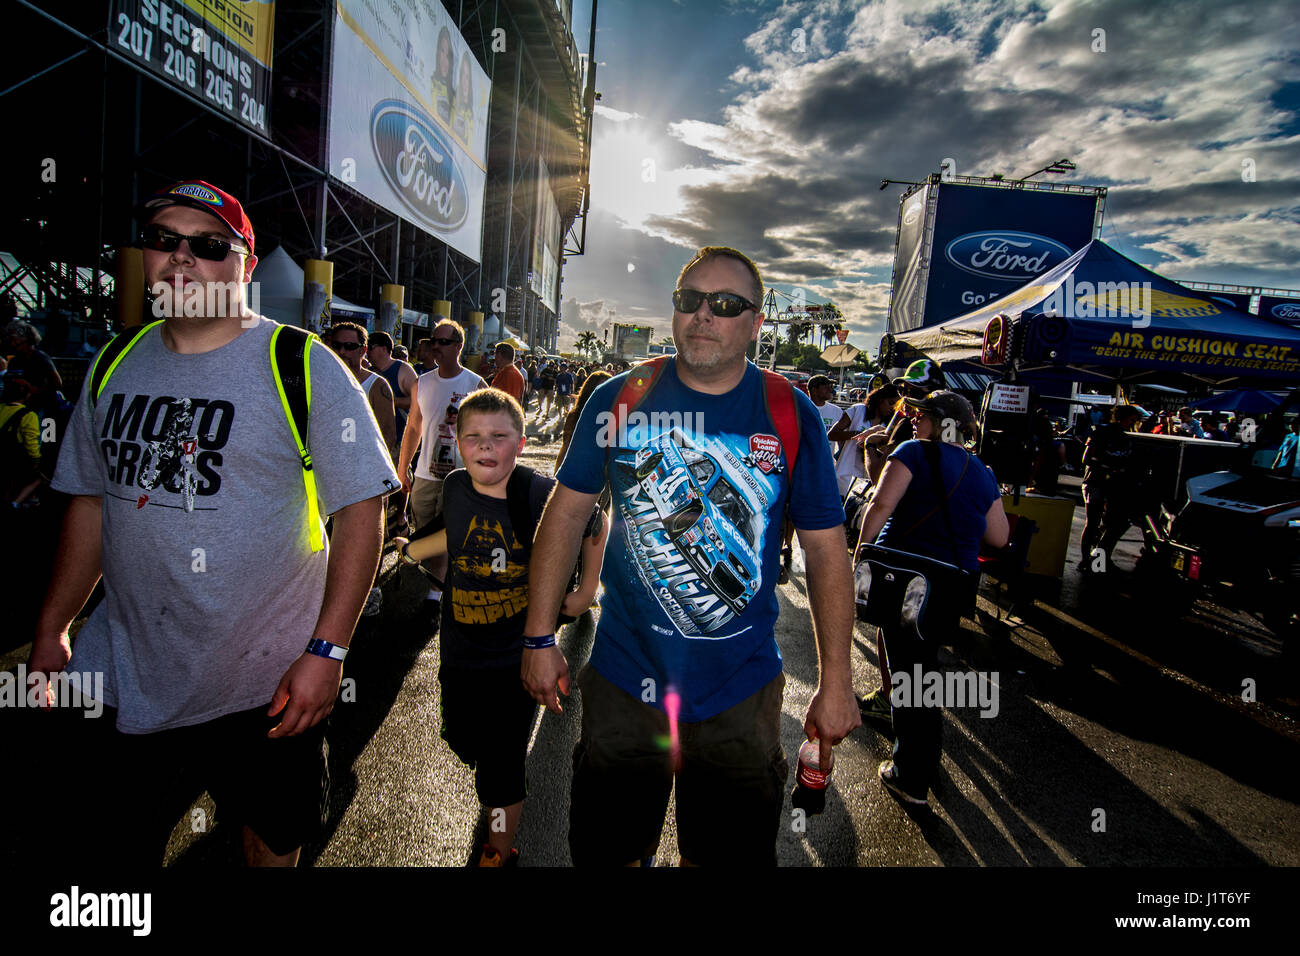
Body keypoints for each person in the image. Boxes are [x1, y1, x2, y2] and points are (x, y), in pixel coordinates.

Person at [29, 179, 398, 866]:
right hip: (127, 668)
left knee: (270, 844)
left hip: (265, 681)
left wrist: (326, 653)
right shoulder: (112, 365)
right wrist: (53, 625)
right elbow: (89, 503)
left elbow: (360, 511)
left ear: (246, 268)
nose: (180, 258)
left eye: (207, 246)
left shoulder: (300, 364)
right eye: (163, 239)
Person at [521, 246, 859, 867]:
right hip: (625, 679)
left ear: (757, 323)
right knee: (607, 854)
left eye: (725, 304)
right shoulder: (620, 398)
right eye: (689, 300)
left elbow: (826, 549)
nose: (703, 315)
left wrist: (837, 680)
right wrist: (540, 636)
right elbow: (566, 515)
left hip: (740, 691)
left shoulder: (790, 413)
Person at [393, 388, 604, 866]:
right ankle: (492, 788)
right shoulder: (454, 487)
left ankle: (498, 852)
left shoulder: (538, 492)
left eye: (498, 437)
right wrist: (411, 550)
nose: (485, 447)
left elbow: (597, 524)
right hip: (460, 650)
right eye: (473, 437)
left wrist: (585, 591)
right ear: (457, 442)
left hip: (514, 656)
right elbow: (453, 531)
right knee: (462, 737)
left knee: (502, 764)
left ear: (521, 442)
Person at [854, 390, 1007, 806]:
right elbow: (999, 537)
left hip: (907, 579)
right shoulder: (981, 469)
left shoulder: (914, 451)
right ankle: (919, 762)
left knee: (912, 676)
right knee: (921, 668)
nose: (915, 419)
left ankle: (911, 775)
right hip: (951, 586)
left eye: (921, 414)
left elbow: (882, 504)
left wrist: (859, 554)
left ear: (941, 421)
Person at [397, 319, 485, 621]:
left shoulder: (475, 385)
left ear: (459, 346)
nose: (436, 346)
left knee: (447, 534)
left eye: (444, 342)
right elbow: (413, 428)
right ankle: (439, 584)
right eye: (434, 341)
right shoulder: (422, 382)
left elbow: (489, 432)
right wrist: (403, 467)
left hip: (460, 477)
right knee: (424, 533)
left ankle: (437, 594)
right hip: (424, 473)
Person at [1078, 404, 1145, 573]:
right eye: (1131, 420)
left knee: (1114, 524)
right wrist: (1107, 467)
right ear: (1122, 418)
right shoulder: (1101, 431)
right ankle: (1087, 560)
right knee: (1092, 523)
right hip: (1095, 482)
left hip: (1114, 485)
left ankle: (1099, 559)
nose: (1132, 423)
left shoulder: (1127, 438)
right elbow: (1086, 458)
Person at [367, 330, 417, 533]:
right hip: (373, 438)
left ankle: (401, 516)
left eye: (371, 348)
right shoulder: (368, 371)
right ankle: (379, 524)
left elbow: (417, 401)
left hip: (398, 436)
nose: (368, 352)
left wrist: (387, 402)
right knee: (380, 483)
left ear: (383, 349)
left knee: (401, 477)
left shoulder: (402, 370)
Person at [2, 319, 63, 415]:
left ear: (25, 338)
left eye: (13, 338)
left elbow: (57, 384)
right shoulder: (15, 361)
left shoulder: (40, 358)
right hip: (20, 409)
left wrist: (34, 390)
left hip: (41, 408)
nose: (11, 343)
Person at [0, 374, 43, 504]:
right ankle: (16, 503)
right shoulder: (29, 415)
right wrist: (37, 460)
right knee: (41, 476)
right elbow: (31, 443)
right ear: (27, 395)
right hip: (13, 461)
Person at [431, 27, 454, 123]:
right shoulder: (430, 83)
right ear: (437, 53)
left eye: (448, 55)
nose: (445, 60)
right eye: (442, 51)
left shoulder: (453, 96)